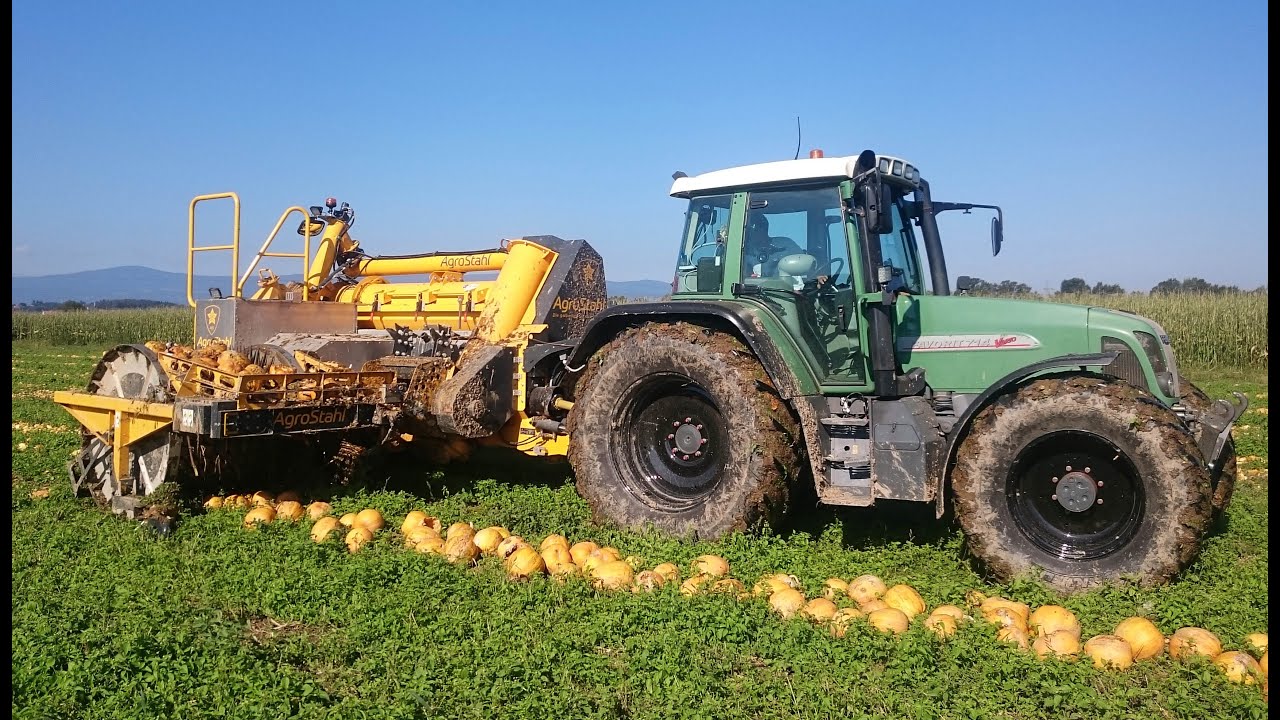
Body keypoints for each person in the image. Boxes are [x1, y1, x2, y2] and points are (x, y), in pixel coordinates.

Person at [743, 213, 803, 278]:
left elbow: (804, 265)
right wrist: (748, 276)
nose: (748, 234)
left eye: (753, 230)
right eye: (747, 231)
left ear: (764, 230)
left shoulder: (786, 245)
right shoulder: (744, 253)